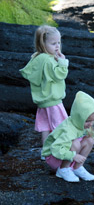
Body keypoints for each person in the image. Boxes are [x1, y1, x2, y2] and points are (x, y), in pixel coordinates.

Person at [19, 25, 69, 158]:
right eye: (53, 43)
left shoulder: (37, 57)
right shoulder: (48, 61)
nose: (57, 46)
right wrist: (63, 63)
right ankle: (59, 152)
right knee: (60, 127)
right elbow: (59, 75)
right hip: (53, 101)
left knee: (46, 127)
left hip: (43, 101)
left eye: (59, 42)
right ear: (42, 43)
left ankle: (45, 152)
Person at [42, 91, 94, 182]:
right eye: (88, 121)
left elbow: (87, 137)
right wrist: (73, 156)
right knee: (75, 143)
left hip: (66, 153)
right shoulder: (68, 129)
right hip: (53, 156)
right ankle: (63, 169)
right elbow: (55, 148)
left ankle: (77, 168)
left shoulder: (82, 124)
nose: (91, 124)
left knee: (90, 140)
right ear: (79, 117)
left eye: (93, 120)